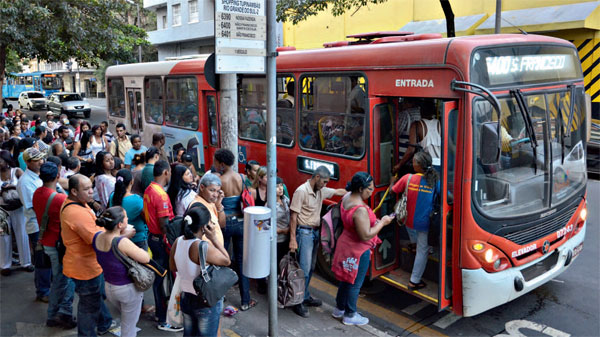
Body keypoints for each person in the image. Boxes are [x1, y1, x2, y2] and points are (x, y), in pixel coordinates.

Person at [331, 172, 393, 325]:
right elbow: (365, 235)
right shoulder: (360, 209)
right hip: (357, 250)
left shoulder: (347, 197)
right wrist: (382, 223)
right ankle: (350, 315)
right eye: (369, 189)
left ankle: (339, 308)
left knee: (346, 279)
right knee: (354, 283)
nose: (371, 192)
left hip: (345, 245)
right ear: (360, 189)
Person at [61, 174, 118, 336]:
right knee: (88, 306)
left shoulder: (80, 204)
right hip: (84, 267)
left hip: (91, 264)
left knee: (95, 296)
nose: (91, 192)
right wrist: (120, 235)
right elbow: (96, 239)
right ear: (73, 191)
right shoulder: (76, 212)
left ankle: (104, 322)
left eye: (91, 187)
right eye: (86, 189)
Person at [288, 166, 346, 317]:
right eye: (325, 181)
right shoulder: (301, 191)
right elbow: (293, 216)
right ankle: (297, 302)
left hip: (314, 233)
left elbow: (338, 192)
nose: (326, 184)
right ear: (317, 177)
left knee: (311, 268)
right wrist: (293, 240)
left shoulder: (321, 190)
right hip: (304, 233)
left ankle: (305, 296)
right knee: (304, 270)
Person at [169, 204, 231, 337]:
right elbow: (226, 260)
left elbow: (173, 267)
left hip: (186, 297)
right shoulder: (201, 246)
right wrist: (213, 237)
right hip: (204, 301)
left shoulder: (177, 241)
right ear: (204, 226)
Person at [32, 162, 76, 329]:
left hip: (46, 241)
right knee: (64, 280)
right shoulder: (60, 198)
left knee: (60, 279)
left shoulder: (37, 193)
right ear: (57, 176)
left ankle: (55, 314)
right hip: (59, 244)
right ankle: (62, 313)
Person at [93, 207, 149, 337]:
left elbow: (110, 242)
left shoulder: (97, 237)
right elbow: (145, 257)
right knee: (128, 328)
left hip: (109, 287)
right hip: (127, 289)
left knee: (126, 319)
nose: (128, 219)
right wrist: (125, 236)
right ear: (119, 224)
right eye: (126, 217)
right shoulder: (121, 242)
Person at [213, 149, 255, 311]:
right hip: (241, 222)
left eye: (216, 162)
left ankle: (220, 297)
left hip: (225, 223)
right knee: (241, 260)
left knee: (223, 259)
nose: (215, 165)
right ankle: (246, 300)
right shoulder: (242, 178)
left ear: (222, 164)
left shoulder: (219, 181)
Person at [391, 151, 440, 291]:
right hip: (424, 224)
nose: (412, 164)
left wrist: (392, 182)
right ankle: (414, 281)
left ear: (418, 165)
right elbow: (447, 197)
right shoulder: (435, 181)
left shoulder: (407, 178)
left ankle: (413, 245)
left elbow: (393, 191)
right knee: (422, 251)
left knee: (413, 233)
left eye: (413, 162)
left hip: (407, 220)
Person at [143, 160, 181, 332]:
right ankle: (164, 314)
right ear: (166, 172)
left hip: (152, 238)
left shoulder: (149, 189)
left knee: (159, 278)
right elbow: (165, 224)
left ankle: (161, 312)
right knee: (165, 278)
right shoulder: (161, 195)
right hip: (161, 242)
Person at [17, 147, 52, 301]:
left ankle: (47, 287)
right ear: (27, 163)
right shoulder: (24, 182)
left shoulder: (37, 177)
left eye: (41, 159)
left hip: (45, 224)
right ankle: (43, 291)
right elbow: (33, 206)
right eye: (36, 160)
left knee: (48, 257)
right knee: (41, 259)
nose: (40, 162)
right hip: (37, 226)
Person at [0, 150, 29, 276]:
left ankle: (26, 262)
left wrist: (11, 187)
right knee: (3, 237)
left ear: (7, 160)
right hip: (2, 209)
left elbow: (25, 185)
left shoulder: (16, 171)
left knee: (22, 234)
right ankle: (5, 265)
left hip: (18, 207)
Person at [394, 100, 441, 174]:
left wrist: (399, 165)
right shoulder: (440, 123)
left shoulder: (417, 125)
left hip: (425, 164)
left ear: (421, 110)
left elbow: (411, 150)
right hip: (441, 164)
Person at [110, 169, 148, 250]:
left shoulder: (112, 196)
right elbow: (146, 218)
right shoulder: (137, 200)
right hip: (137, 239)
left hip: (118, 238)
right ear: (132, 182)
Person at [193, 173, 226, 243]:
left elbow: (222, 225)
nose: (215, 195)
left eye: (218, 191)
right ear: (202, 187)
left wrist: (219, 205)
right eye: (212, 190)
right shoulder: (197, 206)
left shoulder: (211, 202)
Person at [275, 176, 290, 265]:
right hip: (277, 240)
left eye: (281, 185)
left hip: (287, 239)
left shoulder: (285, 199)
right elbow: (267, 227)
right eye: (277, 186)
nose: (280, 188)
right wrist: (283, 230)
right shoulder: (269, 204)